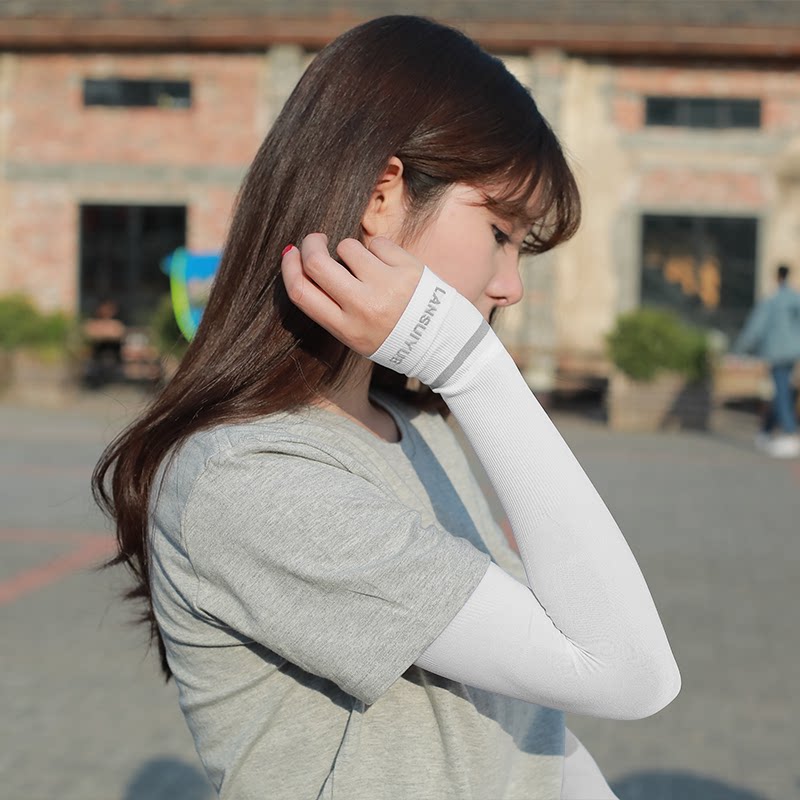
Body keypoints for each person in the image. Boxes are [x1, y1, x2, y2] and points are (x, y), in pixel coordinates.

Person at [92, 16, 680, 800]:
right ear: (381, 194)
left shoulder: (417, 428)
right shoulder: (247, 475)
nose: (510, 284)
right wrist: (471, 367)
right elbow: (630, 674)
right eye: (500, 231)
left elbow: (524, 725)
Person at [734, 264, 800, 458]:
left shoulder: (771, 301)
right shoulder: (795, 299)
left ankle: (789, 432)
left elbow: (755, 327)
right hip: (793, 352)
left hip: (777, 352)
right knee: (783, 391)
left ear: (776, 277)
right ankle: (766, 432)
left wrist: (739, 349)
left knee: (781, 392)